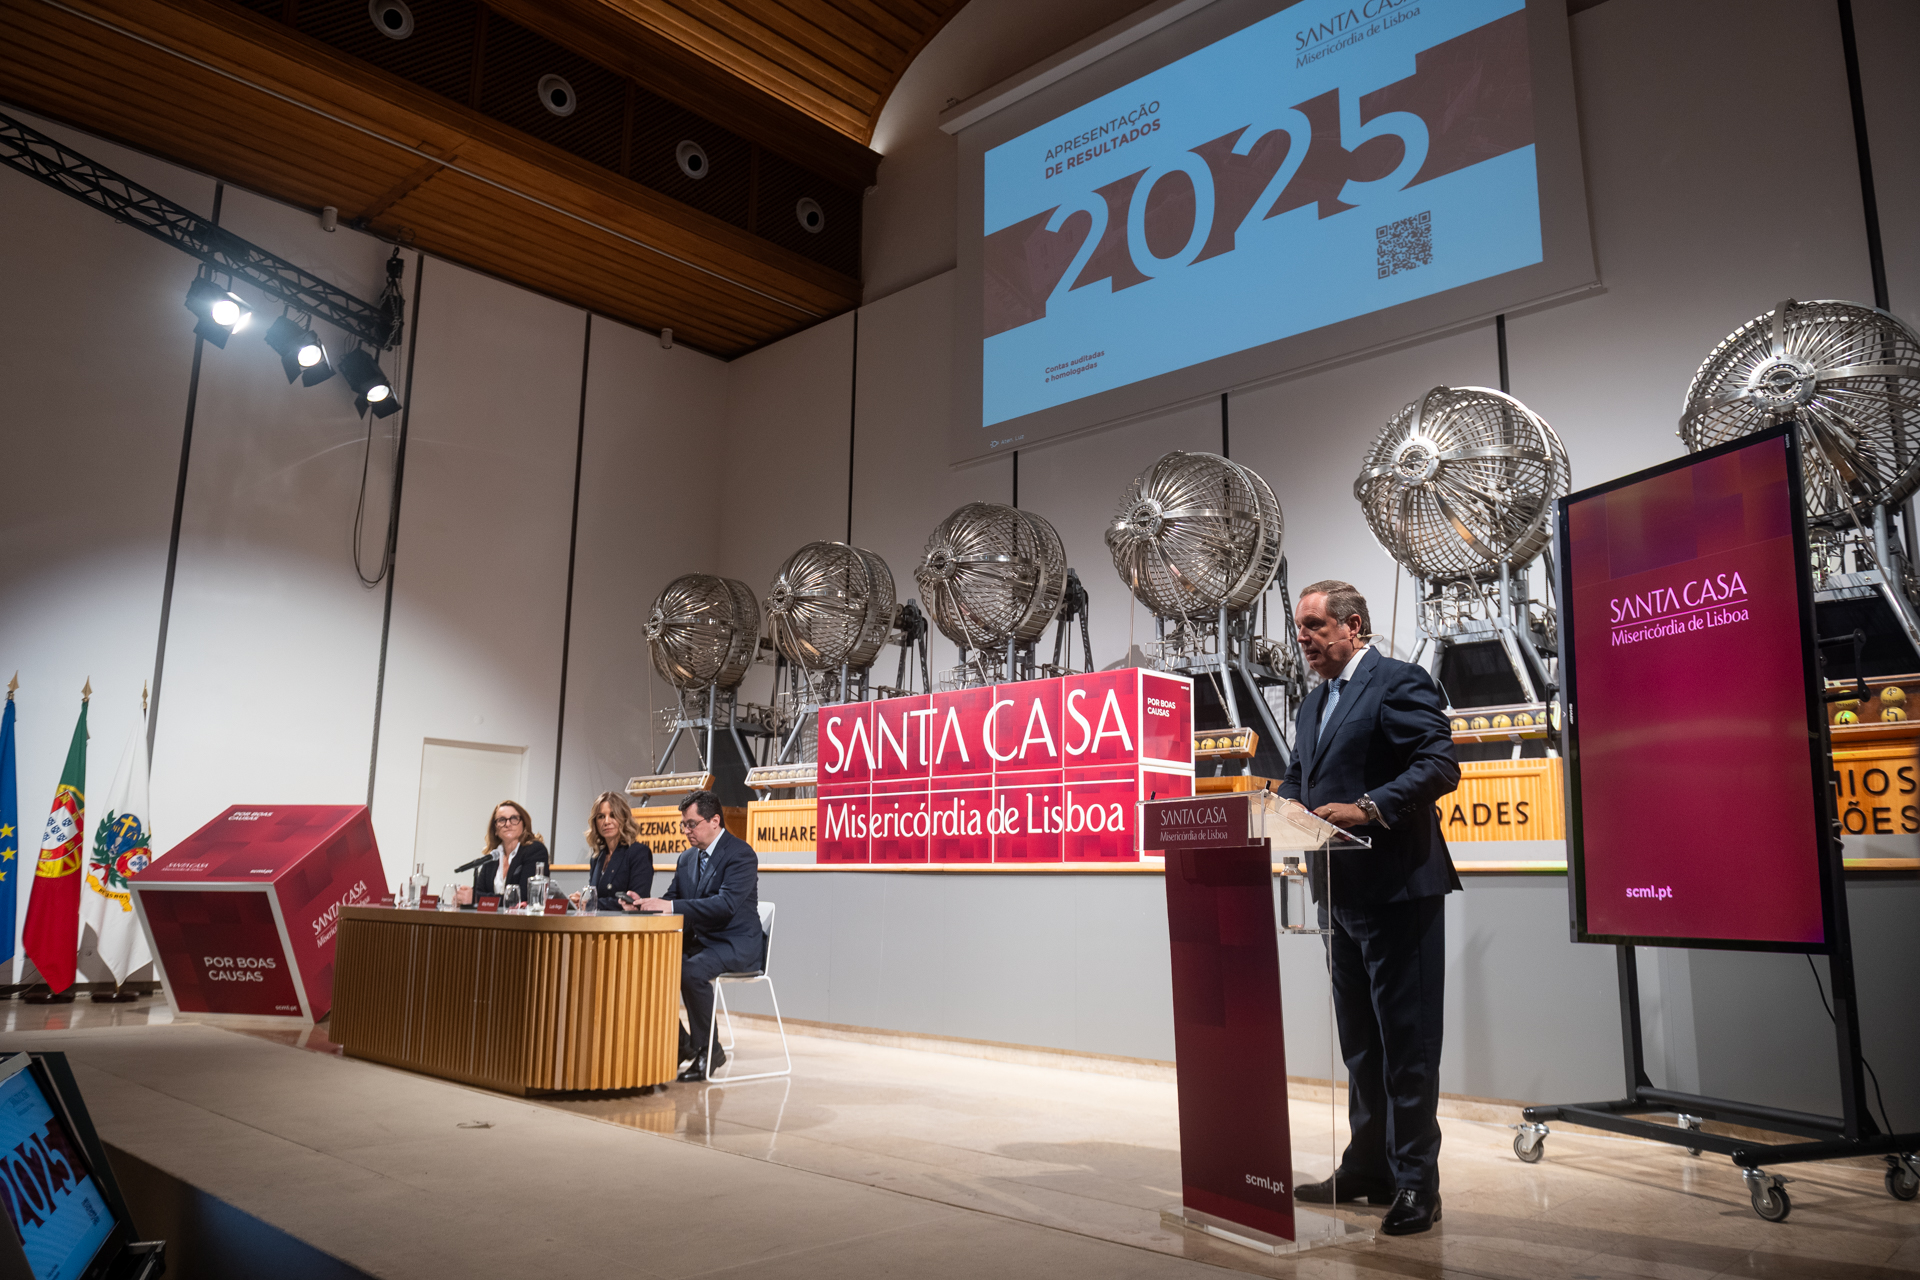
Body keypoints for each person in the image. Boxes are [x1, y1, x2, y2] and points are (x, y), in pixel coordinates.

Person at [1279, 580, 1460, 1236]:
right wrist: (1283, 808)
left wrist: (1369, 807)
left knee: (1407, 1046)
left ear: (1353, 625)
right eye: (1300, 628)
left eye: (1314, 626)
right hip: (1337, 892)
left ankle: (1416, 1184)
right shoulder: (1313, 701)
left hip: (1397, 890)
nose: (1303, 638)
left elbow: (1439, 765)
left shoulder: (1397, 681)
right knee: (1360, 1044)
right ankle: (1367, 1167)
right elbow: (1299, 776)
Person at [631, 790, 760, 1082]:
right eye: (684, 825)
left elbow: (725, 905)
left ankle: (709, 1049)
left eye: (692, 824)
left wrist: (671, 906)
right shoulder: (688, 858)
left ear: (715, 820)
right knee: (649, 963)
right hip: (701, 942)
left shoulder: (740, 854)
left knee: (689, 971)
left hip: (734, 943)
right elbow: (673, 898)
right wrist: (644, 904)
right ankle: (682, 1043)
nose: (686, 831)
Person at [572, 791, 653, 911]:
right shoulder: (597, 857)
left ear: (624, 818)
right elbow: (596, 897)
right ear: (595, 822)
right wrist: (580, 900)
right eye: (601, 816)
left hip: (626, 922)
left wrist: (590, 904)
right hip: (599, 921)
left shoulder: (639, 853)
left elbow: (636, 901)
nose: (606, 821)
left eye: (613, 815)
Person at [473, 800, 549, 902]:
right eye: (501, 820)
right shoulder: (493, 856)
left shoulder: (535, 850)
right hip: (492, 913)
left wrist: (478, 899)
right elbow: (478, 892)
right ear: (495, 829)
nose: (508, 824)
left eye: (514, 818)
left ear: (524, 824)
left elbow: (523, 896)